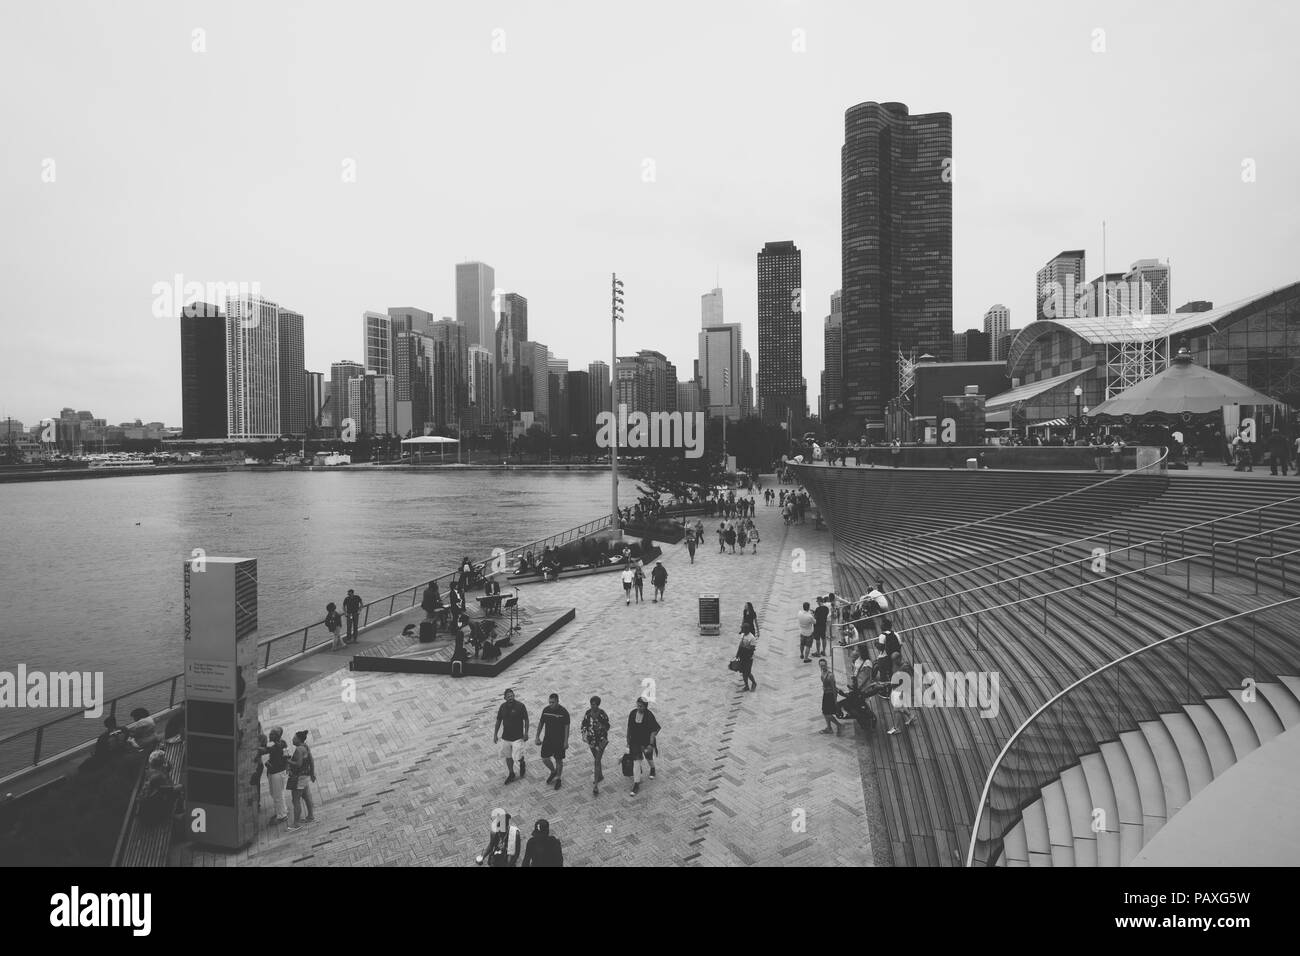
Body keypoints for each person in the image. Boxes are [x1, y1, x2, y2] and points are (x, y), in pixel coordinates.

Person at [535, 693, 571, 791]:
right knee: (545, 758)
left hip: (559, 741)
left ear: (558, 701)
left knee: (559, 760)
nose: (551, 704)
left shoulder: (564, 712)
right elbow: (541, 723)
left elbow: (567, 727)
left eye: (553, 702)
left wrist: (566, 741)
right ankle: (553, 771)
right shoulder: (546, 710)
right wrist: (537, 736)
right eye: (550, 702)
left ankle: (558, 778)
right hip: (548, 739)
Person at [626, 697, 661, 795]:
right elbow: (629, 727)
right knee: (636, 762)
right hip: (635, 742)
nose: (638, 708)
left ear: (645, 707)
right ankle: (636, 784)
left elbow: (654, 730)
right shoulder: (633, 713)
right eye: (638, 705)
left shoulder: (649, 715)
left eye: (641, 706)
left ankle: (652, 768)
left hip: (646, 742)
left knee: (648, 758)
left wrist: (651, 744)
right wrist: (628, 739)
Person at [494, 688, 529, 784]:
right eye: (508, 696)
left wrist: (526, 733)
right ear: (505, 698)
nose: (511, 697)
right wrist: (495, 734)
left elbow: (526, 720)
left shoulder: (520, 706)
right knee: (508, 756)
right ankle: (511, 773)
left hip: (518, 737)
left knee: (518, 756)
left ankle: (522, 762)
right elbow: (498, 721)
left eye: (512, 696)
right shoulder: (502, 707)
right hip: (506, 737)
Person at [285, 730, 316, 831]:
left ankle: (296, 823)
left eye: (294, 738)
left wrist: (288, 761)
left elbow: (298, 764)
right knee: (307, 797)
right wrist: (312, 773)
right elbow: (311, 760)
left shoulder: (299, 749)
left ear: (299, 739)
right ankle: (310, 816)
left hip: (299, 778)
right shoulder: (305, 746)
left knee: (296, 800)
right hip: (305, 776)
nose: (292, 739)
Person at [260, 726, 291, 823]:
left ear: (277, 736)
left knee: (277, 795)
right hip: (277, 773)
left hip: (277, 774)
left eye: (272, 734)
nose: (270, 734)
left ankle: (282, 816)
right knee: (276, 793)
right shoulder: (283, 743)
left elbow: (264, 750)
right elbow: (287, 756)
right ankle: (282, 810)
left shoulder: (275, 747)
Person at [580, 696, 610, 795]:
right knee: (597, 758)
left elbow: (607, 726)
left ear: (598, 705)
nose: (592, 706)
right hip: (591, 740)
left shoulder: (602, 714)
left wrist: (601, 727)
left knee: (597, 761)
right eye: (591, 704)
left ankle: (596, 785)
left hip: (601, 740)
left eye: (594, 704)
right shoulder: (588, 713)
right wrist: (583, 734)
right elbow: (584, 724)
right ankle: (600, 776)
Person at [887, 653, 917, 734]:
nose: (893, 662)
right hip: (895, 688)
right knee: (900, 706)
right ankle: (911, 716)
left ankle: (896, 728)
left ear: (899, 658)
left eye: (894, 660)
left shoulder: (905, 667)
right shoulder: (896, 665)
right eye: (893, 660)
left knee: (897, 709)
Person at [818, 659, 843, 736]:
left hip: (830, 695)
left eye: (824, 665)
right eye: (821, 665)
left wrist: (835, 699)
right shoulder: (822, 672)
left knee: (828, 714)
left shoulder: (830, 675)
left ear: (826, 664)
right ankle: (829, 728)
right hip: (825, 694)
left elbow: (834, 687)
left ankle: (839, 725)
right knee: (824, 712)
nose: (823, 667)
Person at [736, 621, 758, 691]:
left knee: (747, 672)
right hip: (742, 657)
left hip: (749, 658)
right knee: (743, 672)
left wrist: (744, 648)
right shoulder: (742, 635)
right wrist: (737, 655)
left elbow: (752, 649)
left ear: (747, 629)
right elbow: (740, 645)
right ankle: (746, 686)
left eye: (743, 629)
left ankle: (754, 683)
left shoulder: (752, 638)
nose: (742, 630)